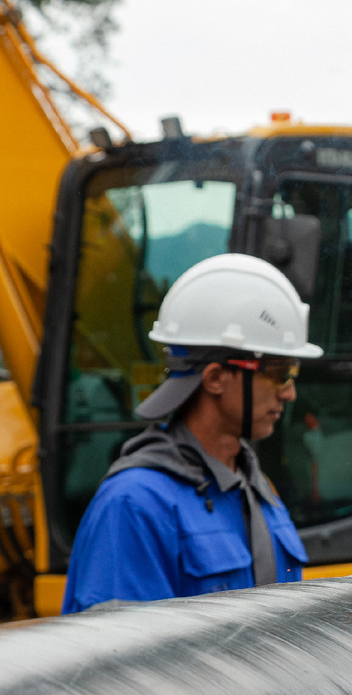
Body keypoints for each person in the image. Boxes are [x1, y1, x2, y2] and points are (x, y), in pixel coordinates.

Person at [62, 253, 322, 613]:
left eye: (293, 373)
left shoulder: (259, 491)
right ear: (215, 377)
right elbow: (118, 661)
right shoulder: (135, 505)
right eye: (279, 372)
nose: (290, 392)